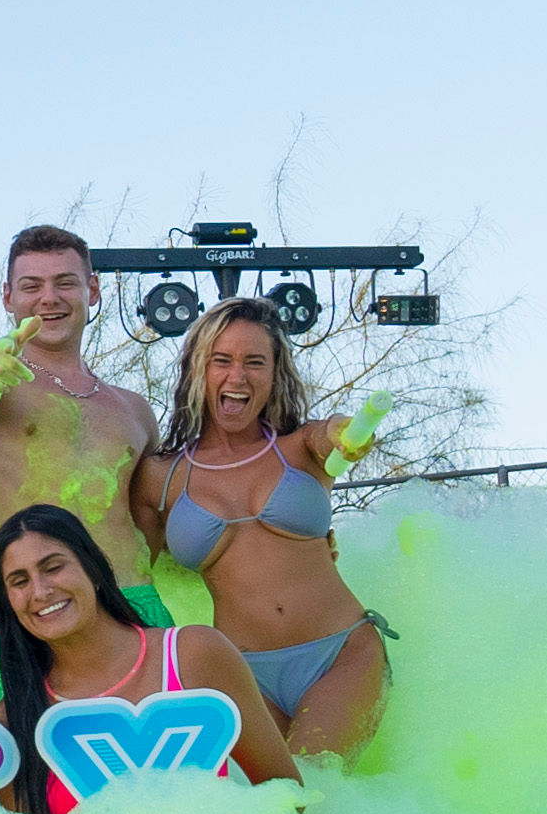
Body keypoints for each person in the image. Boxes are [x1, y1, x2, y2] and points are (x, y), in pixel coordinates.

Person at [128, 298, 396, 758]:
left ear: (275, 376)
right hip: (239, 673)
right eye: (222, 361)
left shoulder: (301, 449)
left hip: (341, 654)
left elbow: (331, 431)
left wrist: (345, 432)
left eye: (255, 362)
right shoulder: (159, 477)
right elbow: (133, 578)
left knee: (308, 790)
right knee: (271, 810)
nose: (238, 377)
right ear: (197, 370)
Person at [0, 225, 165, 692]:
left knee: (176, 762)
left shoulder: (134, 409)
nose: (49, 298)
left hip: (139, 609)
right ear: (8, 298)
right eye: (31, 286)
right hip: (38, 615)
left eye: (65, 282)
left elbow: (161, 521)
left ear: (93, 290)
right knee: (25, 761)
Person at [0, 502, 299, 814]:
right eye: (19, 581)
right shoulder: (13, 719)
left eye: (53, 567)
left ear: (92, 569)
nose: (40, 591)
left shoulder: (195, 655)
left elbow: (287, 795)